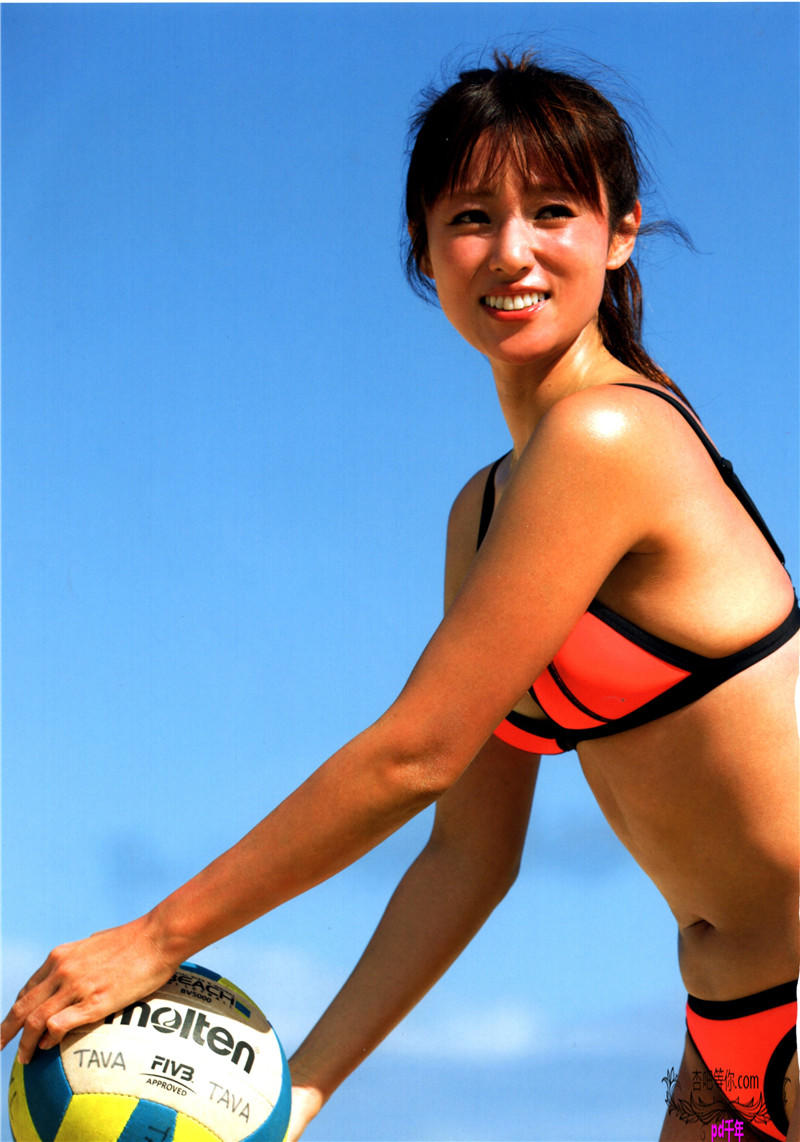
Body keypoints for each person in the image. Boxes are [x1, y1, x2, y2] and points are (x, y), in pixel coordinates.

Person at [3, 52, 798, 1142]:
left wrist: (157, 937)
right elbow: (468, 854)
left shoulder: (609, 435)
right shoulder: (483, 512)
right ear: (424, 251)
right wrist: (295, 1099)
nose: (510, 251)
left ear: (619, 234)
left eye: (552, 211)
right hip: (727, 1042)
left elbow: (413, 753)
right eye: (470, 218)